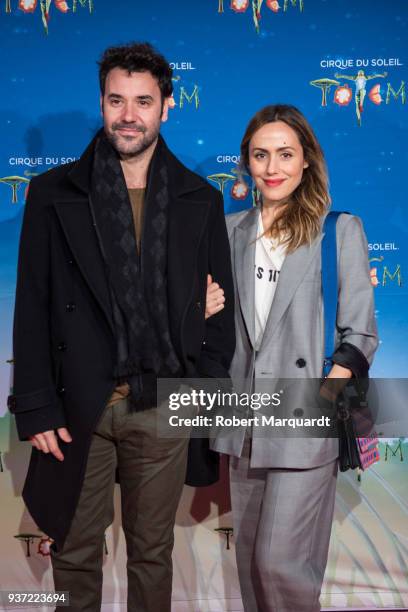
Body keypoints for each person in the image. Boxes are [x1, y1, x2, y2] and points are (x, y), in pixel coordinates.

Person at [8, 42, 235, 612]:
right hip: (78, 403)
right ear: (102, 104)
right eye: (116, 100)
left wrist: (201, 404)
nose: (128, 115)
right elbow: (32, 305)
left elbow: (220, 316)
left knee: (153, 553)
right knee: (76, 550)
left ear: (166, 107)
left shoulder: (200, 199)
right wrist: (35, 408)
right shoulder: (52, 193)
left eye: (143, 101)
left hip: (162, 404)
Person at [210, 104, 378, 612]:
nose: (272, 167)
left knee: (280, 567)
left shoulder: (338, 229)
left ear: (306, 160)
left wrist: (325, 399)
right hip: (244, 423)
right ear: (246, 163)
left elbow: (360, 332)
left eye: (285, 154)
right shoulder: (227, 231)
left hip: (305, 417)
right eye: (260, 155)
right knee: (250, 569)